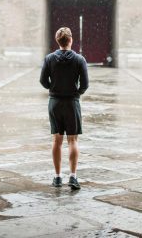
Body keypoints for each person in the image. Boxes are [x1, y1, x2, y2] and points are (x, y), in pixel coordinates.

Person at [40, 26, 89, 190]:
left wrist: (52, 87)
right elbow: (85, 84)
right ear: (71, 40)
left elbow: (42, 81)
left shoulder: (49, 59)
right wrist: (76, 93)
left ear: (58, 41)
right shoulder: (79, 60)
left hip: (55, 102)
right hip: (72, 103)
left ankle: (57, 177)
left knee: (56, 139)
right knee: (73, 140)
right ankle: (73, 177)